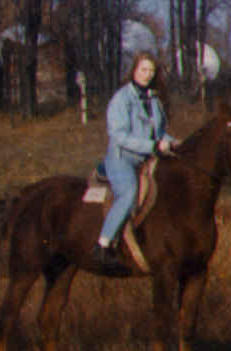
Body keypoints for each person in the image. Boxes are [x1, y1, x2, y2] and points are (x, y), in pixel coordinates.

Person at [92, 51, 180, 272]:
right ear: (134, 70)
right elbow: (119, 137)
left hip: (147, 158)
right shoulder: (121, 99)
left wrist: (174, 142)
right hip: (122, 159)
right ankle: (102, 245)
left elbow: (158, 133)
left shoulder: (153, 99)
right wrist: (152, 147)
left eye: (151, 71)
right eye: (143, 70)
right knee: (129, 193)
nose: (147, 75)